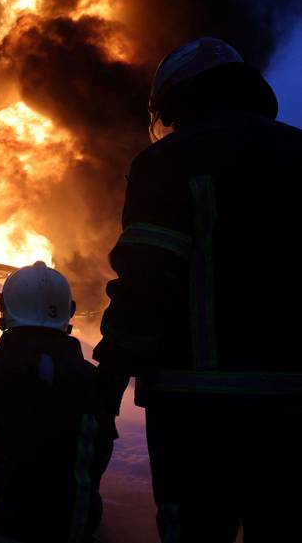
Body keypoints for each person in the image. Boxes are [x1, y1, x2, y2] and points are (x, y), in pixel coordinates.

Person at [93, 37, 302, 542]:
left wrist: (109, 378)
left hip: (198, 409)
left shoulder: (169, 161)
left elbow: (148, 280)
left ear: (176, 100)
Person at [0, 261, 115, 543]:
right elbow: (98, 457)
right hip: (72, 532)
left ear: (3, 307)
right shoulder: (94, 381)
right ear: (70, 311)